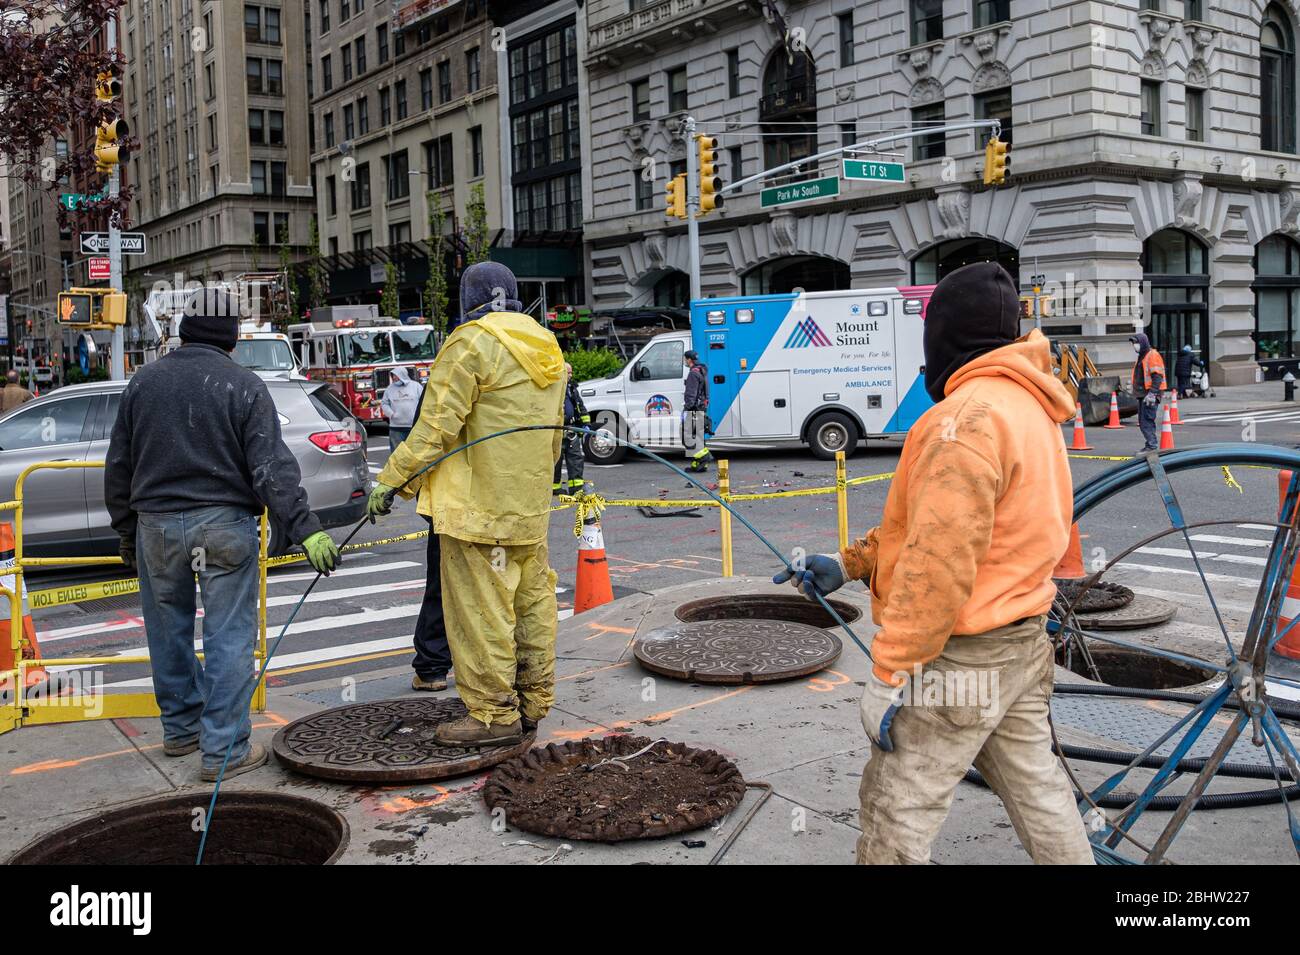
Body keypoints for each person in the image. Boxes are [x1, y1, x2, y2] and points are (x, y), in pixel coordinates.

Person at [775, 262, 1094, 866]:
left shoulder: (963, 422)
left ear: (944, 336)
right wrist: (850, 563)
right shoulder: (1028, 404)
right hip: (1023, 638)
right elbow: (933, 531)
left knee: (899, 805)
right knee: (1037, 789)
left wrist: (893, 673)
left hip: (961, 653)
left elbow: (938, 563)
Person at [105, 287, 341, 782]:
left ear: (183, 330)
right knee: (228, 637)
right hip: (223, 526)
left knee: (166, 632)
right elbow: (272, 469)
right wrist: (305, 530)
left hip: (157, 527)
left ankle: (181, 729)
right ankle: (224, 750)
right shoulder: (243, 385)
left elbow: (119, 469)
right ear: (232, 337)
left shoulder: (143, 383)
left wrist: (127, 533)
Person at [369, 262, 565, 747]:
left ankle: (493, 715)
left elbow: (436, 427)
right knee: (531, 607)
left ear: (466, 301)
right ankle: (532, 703)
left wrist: (391, 480)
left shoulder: (469, 342)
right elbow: (554, 439)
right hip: (528, 508)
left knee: (481, 615)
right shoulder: (546, 345)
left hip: (476, 511)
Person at [553, 362, 591, 496]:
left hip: (571, 430)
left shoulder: (571, 388)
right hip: (557, 430)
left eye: (571, 372)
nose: (571, 375)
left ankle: (576, 489)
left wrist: (585, 424)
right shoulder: (554, 387)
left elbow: (580, 406)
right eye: (568, 372)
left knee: (575, 459)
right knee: (556, 460)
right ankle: (554, 487)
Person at [1130, 332, 1166, 452]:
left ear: (1143, 343)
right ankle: (1150, 444)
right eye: (1133, 343)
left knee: (1146, 421)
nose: (1134, 345)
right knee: (1143, 421)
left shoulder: (1152, 355)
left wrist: (1152, 393)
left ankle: (1152, 446)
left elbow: (1158, 376)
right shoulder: (1142, 356)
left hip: (1149, 395)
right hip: (1143, 395)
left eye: (1136, 342)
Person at [682, 350, 712, 473]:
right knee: (698, 436)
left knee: (688, 436)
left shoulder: (693, 374)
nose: (684, 361)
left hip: (694, 408)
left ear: (689, 360)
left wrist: (688, 408)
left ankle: (705, 456)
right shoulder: (702, 371)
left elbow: (691, 393)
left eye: (685, 359)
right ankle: (699, 465)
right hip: (701, 407)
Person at [380, 365, 421, 453]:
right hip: (396, 428)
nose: (394, 378)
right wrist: (391, 414)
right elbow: (384, 403)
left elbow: (423, 402)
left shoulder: (416, 386)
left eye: (396, 375)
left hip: (413, 427)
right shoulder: (389, 389)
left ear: (402, 375)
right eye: (393, 375)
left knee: (414, 452)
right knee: (396, 453)